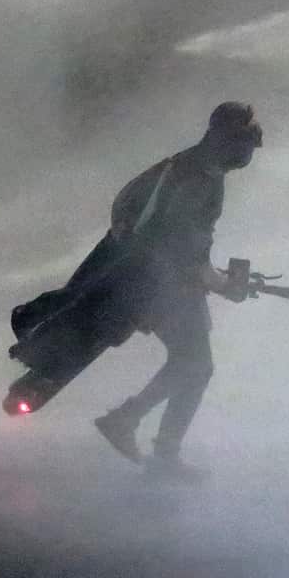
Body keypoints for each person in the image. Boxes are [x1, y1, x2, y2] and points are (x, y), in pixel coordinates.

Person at [92, 101, 262, 483]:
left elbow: (127, 202)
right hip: (160, 284)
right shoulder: (203, 178)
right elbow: (187, 248)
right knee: (196, 364)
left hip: (152, 278)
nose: (249, 150)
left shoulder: (182, 163)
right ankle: (133, 426)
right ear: (227, 140)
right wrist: (223, 285)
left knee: (194, 366)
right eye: (245, 142)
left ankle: (153, 444)